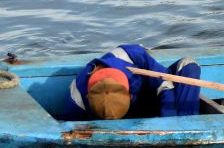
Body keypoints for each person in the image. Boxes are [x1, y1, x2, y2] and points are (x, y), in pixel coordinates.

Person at [66, 44, 201, 120]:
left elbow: (165, 85)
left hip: (150, 103)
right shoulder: (76, 97)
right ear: (88, 98)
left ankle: (187, 126)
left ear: (129, 95)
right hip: (117, 124)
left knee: (188, 66)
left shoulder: (131, 55)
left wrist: (168, 122)